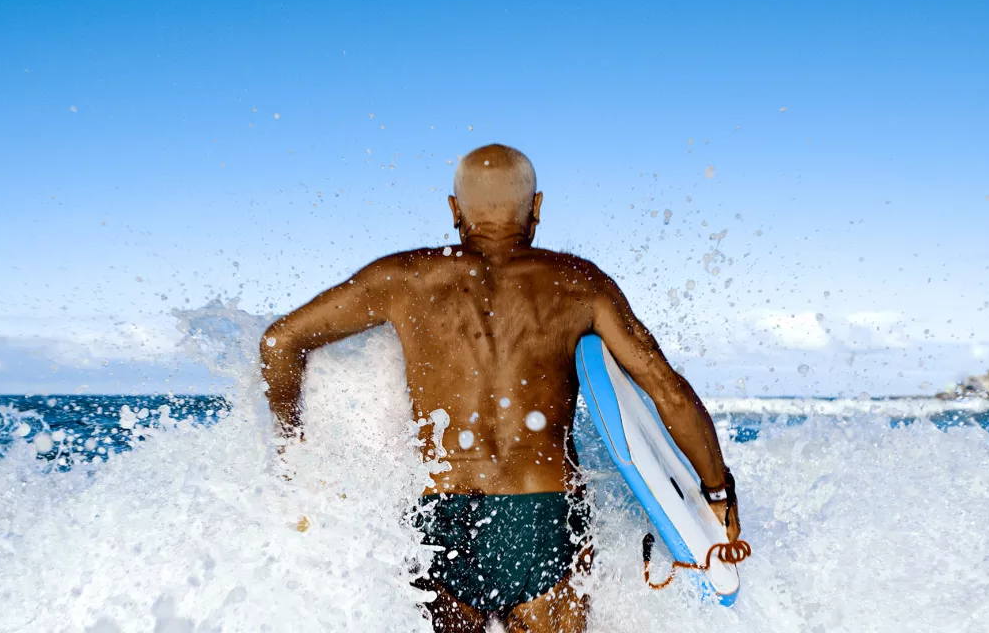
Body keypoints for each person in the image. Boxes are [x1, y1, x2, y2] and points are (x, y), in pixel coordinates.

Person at [259, 144, 741, 633]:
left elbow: (280, 342)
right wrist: (718, 492)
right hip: (541, 519)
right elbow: (668, 390)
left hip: (441, 516)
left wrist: (292, 449)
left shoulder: (402, 278)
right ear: (536, 208)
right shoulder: (579, 284)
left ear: (454, 210)